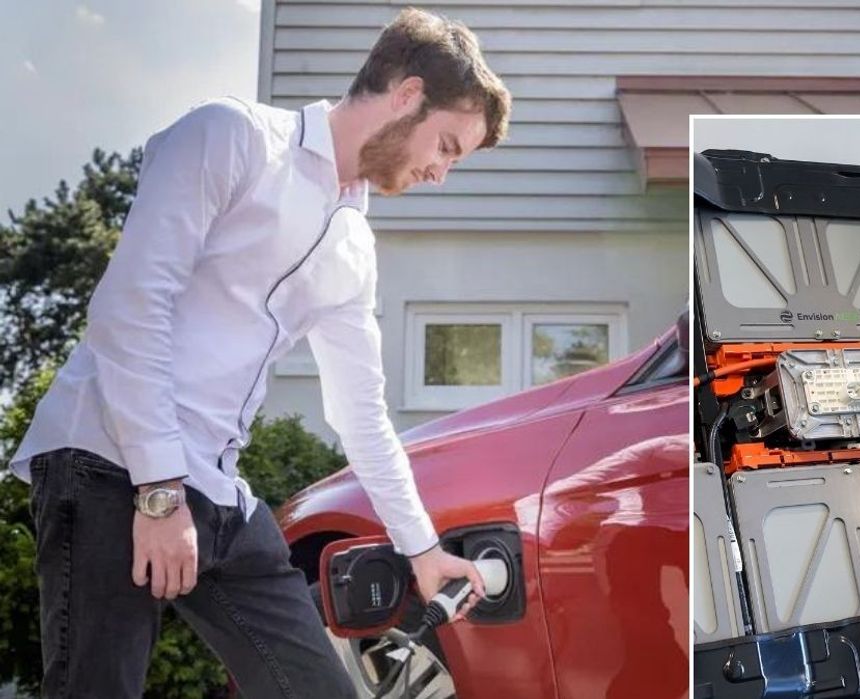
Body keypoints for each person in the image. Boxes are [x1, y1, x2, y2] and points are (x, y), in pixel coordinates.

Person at [6, 8, 510, 698]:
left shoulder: (351, 247)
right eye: (447, 145)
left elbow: (361, 414)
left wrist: (422, 548)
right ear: (407, 95)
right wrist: (157, 493)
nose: (440, 172)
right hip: (110, 461)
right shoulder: (231, 137)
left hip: (216, 491)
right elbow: (129, 307)